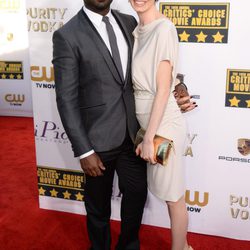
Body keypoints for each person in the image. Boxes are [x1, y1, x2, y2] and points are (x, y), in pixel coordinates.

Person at [52, 0, 195, 249]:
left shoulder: (129, 22)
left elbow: (158, 68)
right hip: (98, 141)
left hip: (137, 135)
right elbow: (66, 99)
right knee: (98, 206)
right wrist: (84, 150)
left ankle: (130, 245)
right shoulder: (67, 35)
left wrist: (177, 86)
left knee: (140, 194)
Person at [129, 0, 193, 250]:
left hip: (164, 124)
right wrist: (144, 134)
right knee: (168, 194)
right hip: (149, 124)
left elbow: (164, 88)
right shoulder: (137, 30)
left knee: (173, 197)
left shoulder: (164, 28)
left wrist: (148, 138)